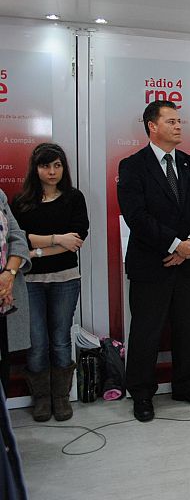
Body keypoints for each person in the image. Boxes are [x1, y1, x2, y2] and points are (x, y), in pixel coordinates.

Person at [118, 100, 190, 422]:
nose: (178, 126)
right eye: (171, 121)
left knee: (186, 327)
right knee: (146, 330)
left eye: (179, 121)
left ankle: (184, 385)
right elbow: (136, 216)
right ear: (152, 126)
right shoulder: (132, 166)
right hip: (151, 264)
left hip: (187, 263)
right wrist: (174, 244)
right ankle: (142, 393)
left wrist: (189, 244)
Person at [12, 143, 88, 422]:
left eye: (57, 165)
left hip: (65, 279)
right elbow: (18, 236)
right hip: (28, 281)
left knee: (59, 340)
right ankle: (41, 399)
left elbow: (76, 240)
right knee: (36, 342)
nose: (52, 171)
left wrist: (36, 249)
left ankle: (60, 397)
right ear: (36, 168)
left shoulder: (73, 198)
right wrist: (57, 239)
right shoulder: (21, 201)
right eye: (46, 166)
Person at [1, 189, 30, 394]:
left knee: (3, 365)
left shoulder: (0, 196)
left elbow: (17, 237)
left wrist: (9, 274)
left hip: (4, 296)